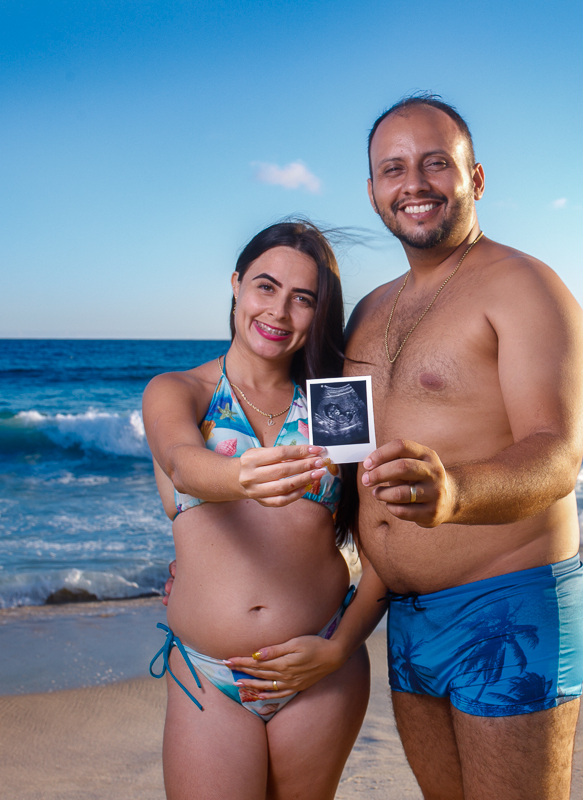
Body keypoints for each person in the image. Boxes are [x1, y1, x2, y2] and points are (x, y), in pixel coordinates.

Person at [347, 95, 583, 799]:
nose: (413, 183)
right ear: (373, 192)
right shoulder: (367, 312)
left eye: (435, 163)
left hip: (506, 603)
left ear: (475, 179)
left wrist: (455, 492)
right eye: (393, 168)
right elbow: (332, 457)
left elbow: (555, 453)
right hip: (406, 616)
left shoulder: (522, 287)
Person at [143, 220, 389, 800]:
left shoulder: (335, 405)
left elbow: (385, 542)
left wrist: (338, 648)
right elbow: (181, 463)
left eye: (303, 298)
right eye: (266, 287)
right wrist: (238, 475)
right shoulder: (180, 392)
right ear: (236, 285)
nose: (280, 312)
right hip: (208, 674)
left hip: (320, 666)